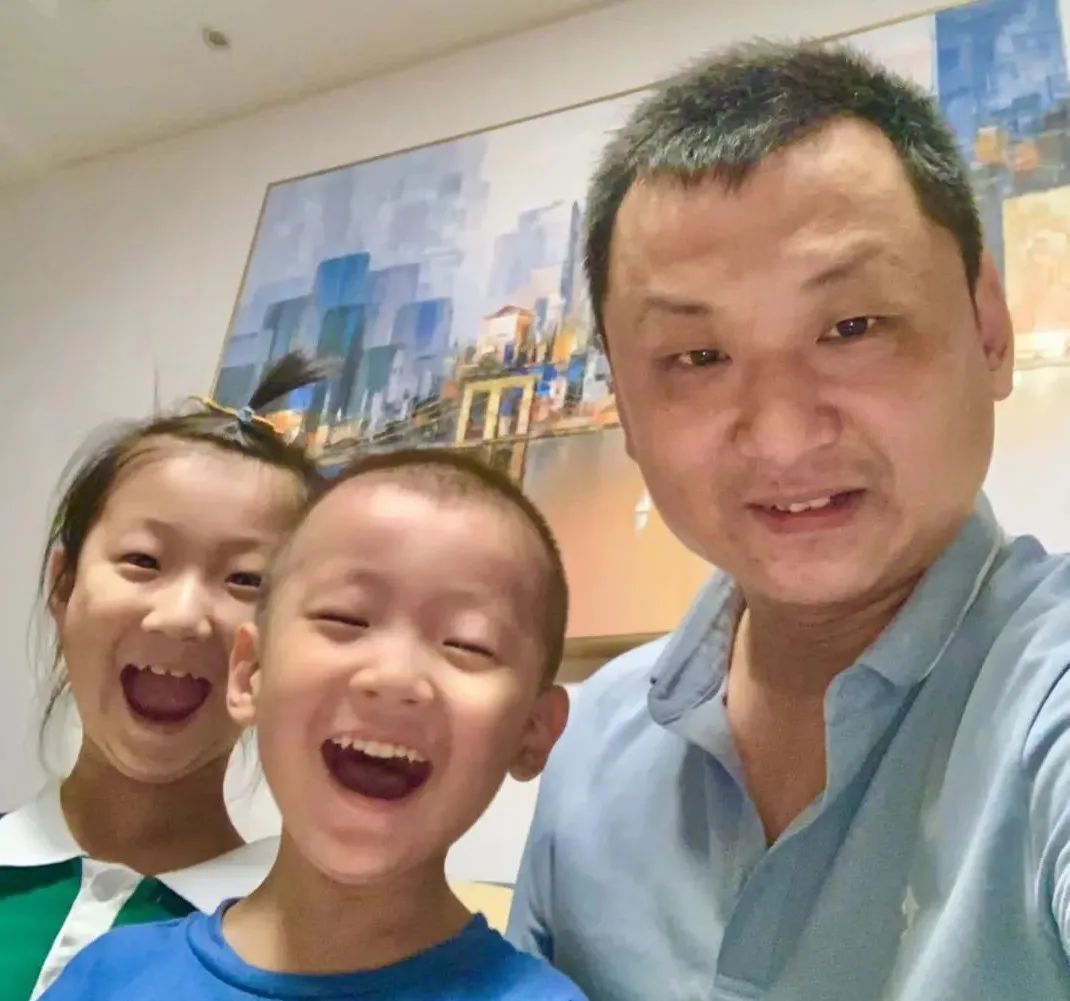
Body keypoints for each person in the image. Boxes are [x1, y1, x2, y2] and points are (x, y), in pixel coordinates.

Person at [508, 41, 1070, 999]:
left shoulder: (1043, 697)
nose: (780, 433)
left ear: (988, 331)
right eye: (696, 357)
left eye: (851, 327)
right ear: (624, 408)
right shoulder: (591, 743)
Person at [43, 449, 587, 1000]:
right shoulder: (107, 975)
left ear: (533, 731)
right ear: (250, 673)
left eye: (468, 644)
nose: (394, 677)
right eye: (344, 617)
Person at [0, 353, 327, 1001]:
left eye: (247, 580)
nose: (181, 617)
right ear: (62, 585)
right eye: (144, 560)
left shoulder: (303, 955)